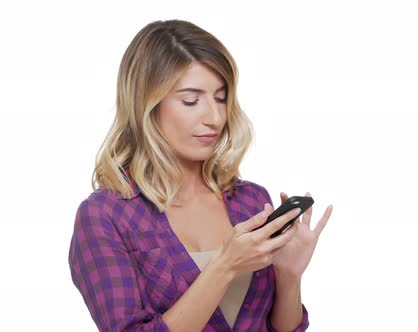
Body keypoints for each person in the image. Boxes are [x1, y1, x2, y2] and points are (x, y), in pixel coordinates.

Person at [67, 19, 333, 332]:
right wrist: (225, 266)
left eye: (221, 98)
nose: (216, 117)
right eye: (191, 100)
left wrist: (289, 275)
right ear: (146, 107)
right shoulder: (105, 216)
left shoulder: (251, 201)